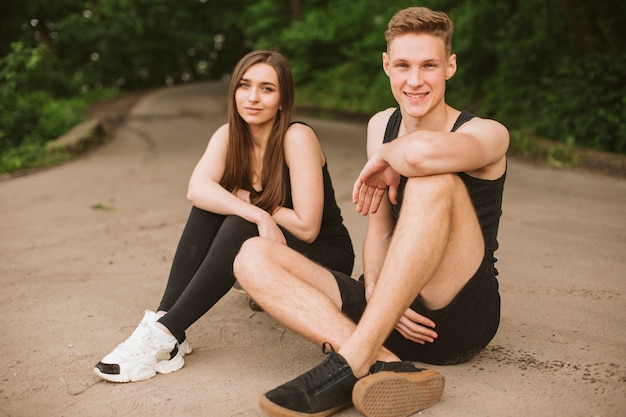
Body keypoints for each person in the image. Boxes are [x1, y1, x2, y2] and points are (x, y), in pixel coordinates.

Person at [233, 6, 509, 417]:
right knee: (251, 257)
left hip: (459, 313)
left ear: (450, 66)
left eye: (429, 65)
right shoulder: (382, 123)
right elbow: (379, 228)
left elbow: (419, 156)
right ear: (386, 66)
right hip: (390, 314)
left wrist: (387, 154)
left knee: (435, 180)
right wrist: (377, 289)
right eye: (403, 65)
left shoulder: (486, 133)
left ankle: (350, 362)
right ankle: (389, 364)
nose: (414, 80)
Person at [94, 50, 355, 383]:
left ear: (283, 100)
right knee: (216, 209)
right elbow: (197, 189)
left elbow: (306, 227)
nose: (253, 97)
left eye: (267, 88)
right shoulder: (229, 136)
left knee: (240, 221)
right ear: (233, 91)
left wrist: (257, 206)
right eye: (245, 85)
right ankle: (168, 324)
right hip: (270, 243)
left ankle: (164, 333)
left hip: (325, 257)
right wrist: (256, 213)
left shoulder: (296, 137)